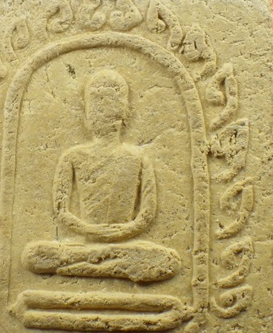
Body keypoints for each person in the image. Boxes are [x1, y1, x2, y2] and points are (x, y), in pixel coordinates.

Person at [22, 69, 180, 283]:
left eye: (111, 108)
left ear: (125, 113)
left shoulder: (137, 157)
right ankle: (108, 262)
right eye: (97, 107)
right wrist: (91, 231)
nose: (103, 114)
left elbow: (146, 214)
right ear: (87, 114)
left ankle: (92, 263)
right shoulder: (73, 157)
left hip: (125, 244)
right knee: (34, 255)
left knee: (166, 261)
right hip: (84, 244)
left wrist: (121, 232)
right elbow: (61, 211)